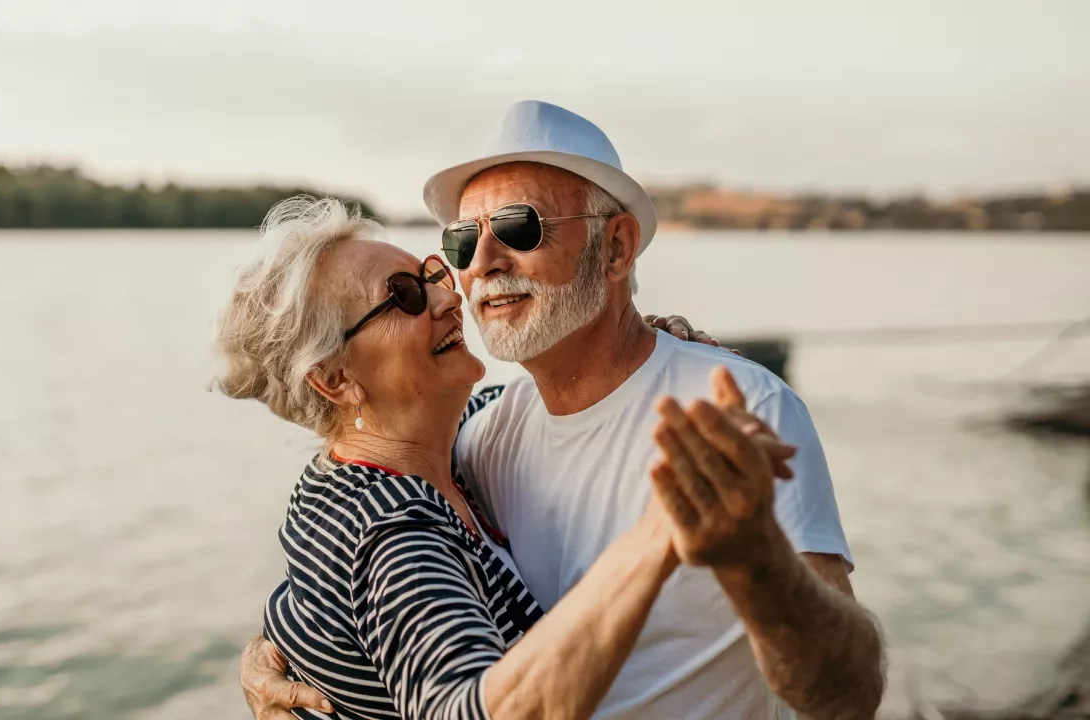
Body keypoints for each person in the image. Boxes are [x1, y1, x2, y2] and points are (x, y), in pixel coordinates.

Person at [243, 101, 886, 719]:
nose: (482, 267)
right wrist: (284, 643)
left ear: (616, 249)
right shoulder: (484, 437)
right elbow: (363, 543)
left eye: (521, 229)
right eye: (463, 242)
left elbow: (848, 697)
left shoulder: (738, 413)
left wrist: (759, 564)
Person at [215, 196, 764, 719]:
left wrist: (646, 346)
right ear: (335, 380)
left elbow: (569, 398)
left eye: (432, 274)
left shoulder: (426, 449)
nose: (449, 297)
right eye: (404, 295)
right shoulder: (392, 529)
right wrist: (656, 539)